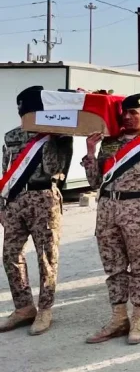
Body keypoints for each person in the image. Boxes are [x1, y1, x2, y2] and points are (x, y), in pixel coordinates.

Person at [82, 93, 140, 345]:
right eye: (126, 113)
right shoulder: (109, 143)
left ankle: (138, 318)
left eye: (135, 113)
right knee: (113, 266)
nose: (129, 117)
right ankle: (118, 317)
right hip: (107, 210)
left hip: (138, 210)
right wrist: (90, 152)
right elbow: (95, 182)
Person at [0, 85, 72, 335]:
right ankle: (23, 307)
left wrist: (52, 138)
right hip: (16, 201)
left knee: (46, 256)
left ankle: (44, 309)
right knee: (10, 254)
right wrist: (2, 205)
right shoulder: (11, 137)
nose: (26, 118)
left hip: (44, 198)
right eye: (24, 113)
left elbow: (54, 170)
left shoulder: (57, 136)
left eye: (31, 113)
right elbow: (6, 171)